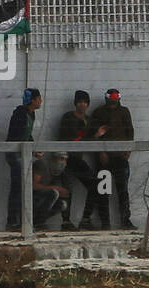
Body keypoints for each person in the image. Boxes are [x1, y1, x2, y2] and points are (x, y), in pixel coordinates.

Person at [88, 87, 136, 230]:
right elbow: (94, 133)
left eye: (115, 100)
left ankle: (125, 220)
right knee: (104, 191)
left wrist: (128, 149)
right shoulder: (99, 112)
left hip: (121, 157)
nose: (113, 102)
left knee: (123, 190)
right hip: (105, 158)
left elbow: (130, 131)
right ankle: (105, 223)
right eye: (111, 99)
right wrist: (100, 152)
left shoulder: (124, 112)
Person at [57, 90, 100, 231]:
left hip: (78, 159)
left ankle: (85, 219)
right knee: (67, 190)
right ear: (75, 103)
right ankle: (66, 222)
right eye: (80, 102)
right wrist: (95, 136)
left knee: (94, 185)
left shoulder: (88, 120)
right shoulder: (69, 117)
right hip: (68, 158)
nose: (82, 105)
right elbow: (73, 138)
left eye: (85, 102)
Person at [4, 88, 41, 232]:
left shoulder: (31, 114)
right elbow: (17, 135)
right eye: (38, 98)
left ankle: (18, 220)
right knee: (17, 187)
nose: (40, 101)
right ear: (33, 100)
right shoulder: (20, 113)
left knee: (21, 187)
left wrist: (33, 148)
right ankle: (13, 221)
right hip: (15, 154)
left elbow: (27, 134)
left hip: (22, 153)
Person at [28, 151, 69, 231]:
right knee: (53, 193)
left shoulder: (59, 174)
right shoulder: (42, 165)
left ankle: (36, 222)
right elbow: (33, 186)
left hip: (41, 201)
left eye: (65, 159)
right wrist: (55, 188)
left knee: (62, 204)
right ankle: (39, 223)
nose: (63, 162)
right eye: (61, 159)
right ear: (53, 158)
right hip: (32, 199)